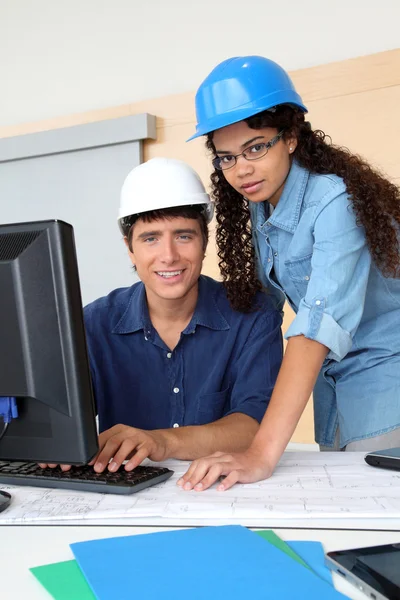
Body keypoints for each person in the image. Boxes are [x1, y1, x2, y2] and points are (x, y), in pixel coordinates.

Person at [177, 55, 400, 492]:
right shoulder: (265, 207)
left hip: (387, 387)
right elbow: (258, 312)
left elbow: (315, 327)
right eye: (226, 158)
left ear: (292, 137)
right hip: (335, 393)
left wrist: (260, 452)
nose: (241, 170)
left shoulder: (334, 202)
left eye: (255, 147)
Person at [40, 157, 282, 473]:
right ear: (130, 247)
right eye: (150, 238)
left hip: (222, 491)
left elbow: (254, 426)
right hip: (124, 495)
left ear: (204, 242)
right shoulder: (92, 324)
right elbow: (64, 421)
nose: (168, 256)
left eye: (183, 236)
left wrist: (161, 442)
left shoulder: (252, 316)